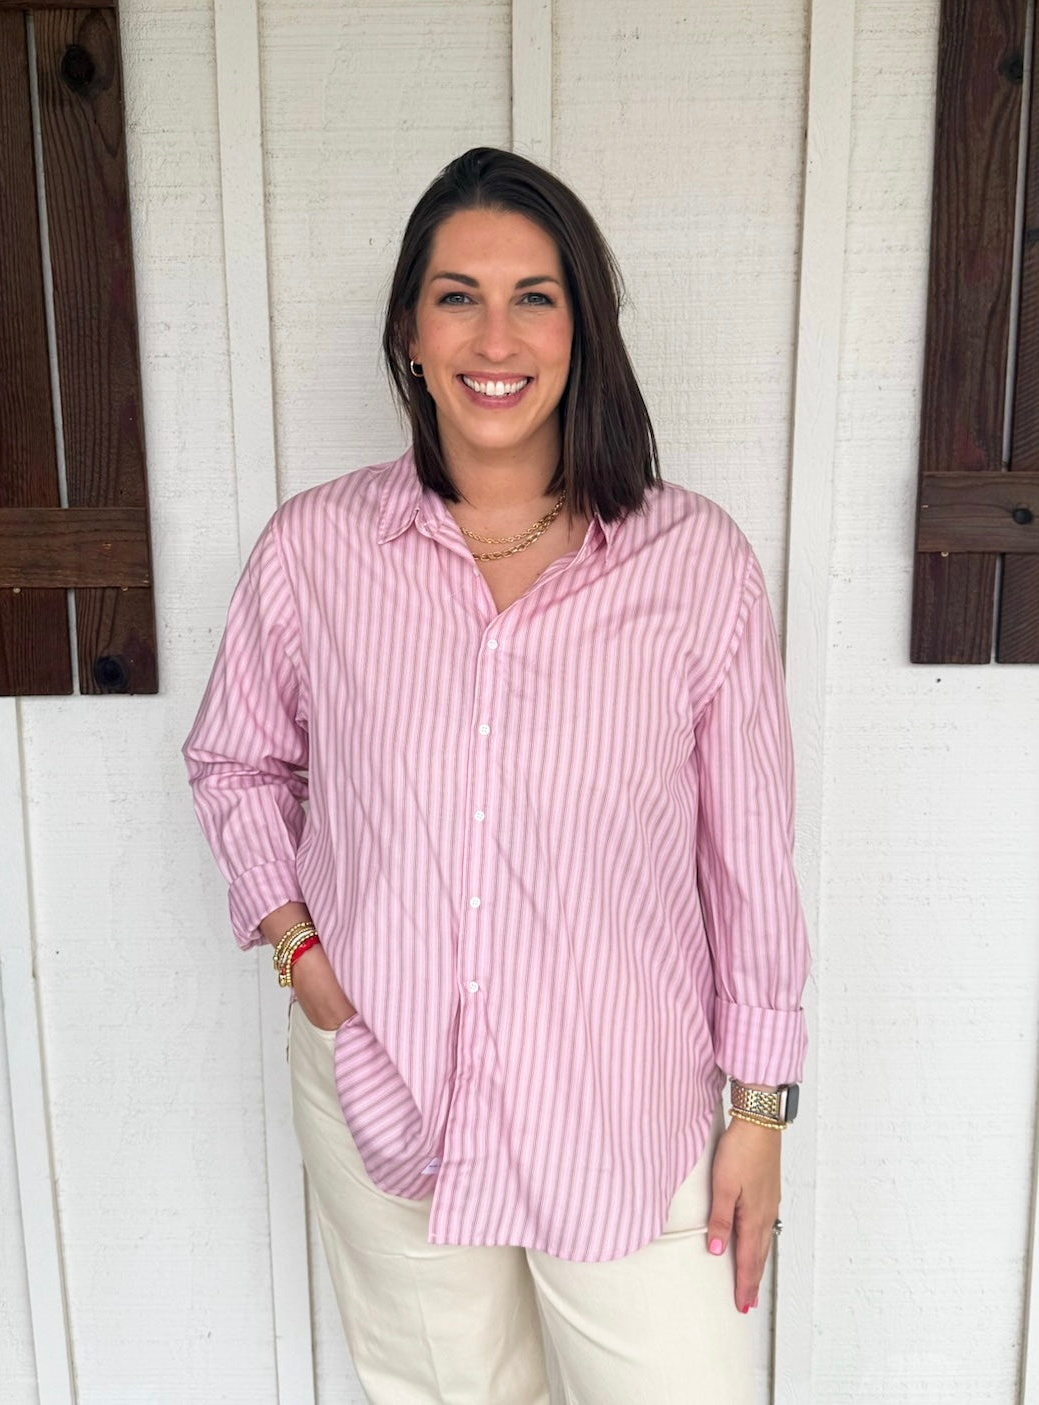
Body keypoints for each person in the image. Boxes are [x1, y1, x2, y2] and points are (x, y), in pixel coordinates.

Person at [183, 146, 810, 1404]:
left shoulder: (694, 564)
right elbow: (235, 761)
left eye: (535, 296)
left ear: (582, 331)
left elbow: (747, 856)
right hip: (384, 1084)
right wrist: (308, 963)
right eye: (456, 295)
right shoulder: (316, 551)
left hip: (624, 1112)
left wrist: (759, 1111)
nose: (495, 337)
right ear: (410, 334)